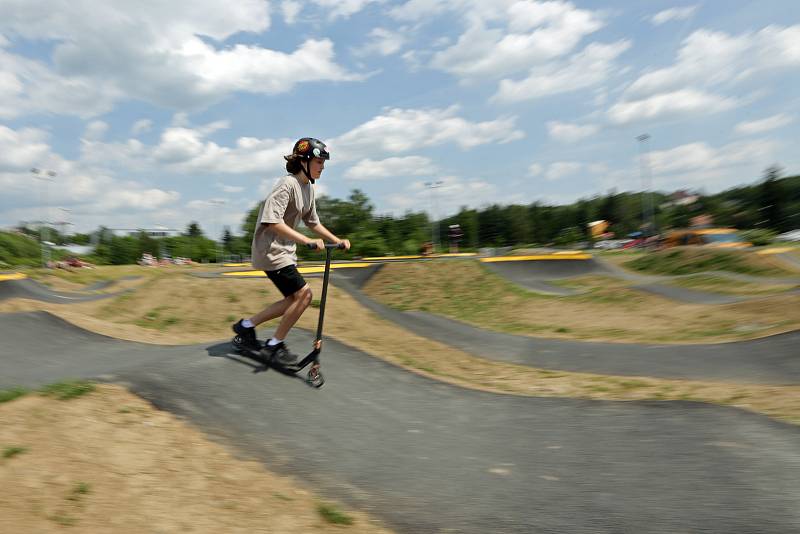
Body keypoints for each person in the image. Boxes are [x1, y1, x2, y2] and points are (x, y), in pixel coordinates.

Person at [232, 137, 351, 367]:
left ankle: (245, 327)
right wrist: (307, 241)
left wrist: (337, 241)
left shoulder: (307, 189)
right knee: (304, 296)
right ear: (305, 161)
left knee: (292, 300)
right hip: (270, 251)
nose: (322, 167)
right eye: (319, 161)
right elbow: (271, 221)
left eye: (323, 163)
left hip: (283, 251)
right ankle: (274, 345)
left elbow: (313, 222)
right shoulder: (287, 185)